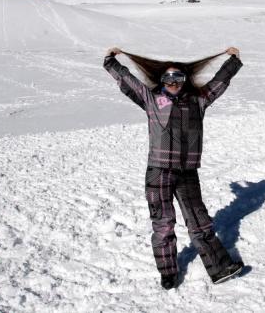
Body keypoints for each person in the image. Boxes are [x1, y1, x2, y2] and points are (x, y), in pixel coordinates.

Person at [103, 46, 244, 290]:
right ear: (162, 80)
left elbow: (219, 82)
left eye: (178, 78)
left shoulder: (198, 101)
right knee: (163, 223)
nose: (173, 82)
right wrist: (111, 61)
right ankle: (168, 271)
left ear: (184, 80)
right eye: (168, 78)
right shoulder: (151, 100)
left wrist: (233, 61)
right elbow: (128, 80)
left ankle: (220, 267)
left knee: (199, 221)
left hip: (187, 172)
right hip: (159, 171)